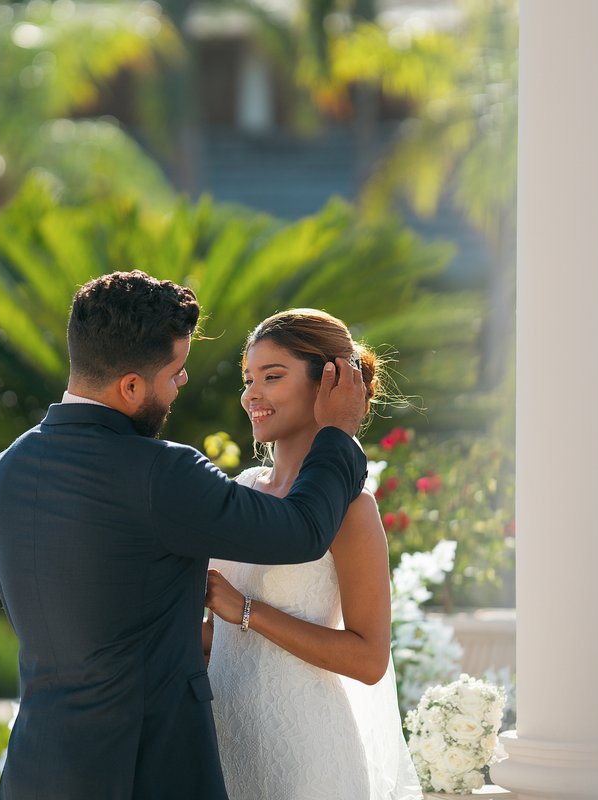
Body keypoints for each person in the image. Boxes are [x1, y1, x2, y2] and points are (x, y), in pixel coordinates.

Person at [0, 271, 370, 800]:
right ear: (132, 386)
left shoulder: (4, 471)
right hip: (150, 768)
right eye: (176, 371)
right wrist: (338, 434)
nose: (182, 384)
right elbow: (300, 532)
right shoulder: (159, 473)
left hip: (37, 769)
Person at [204, 309, 423, 800]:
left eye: (272, 377)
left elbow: (369, 658)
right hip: (222, 742)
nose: (250, 395)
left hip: (305, 753)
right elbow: (217, 638)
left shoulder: (352, 508)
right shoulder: (241, 490)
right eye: (248, 379)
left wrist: (247, 611)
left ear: (330, 381)